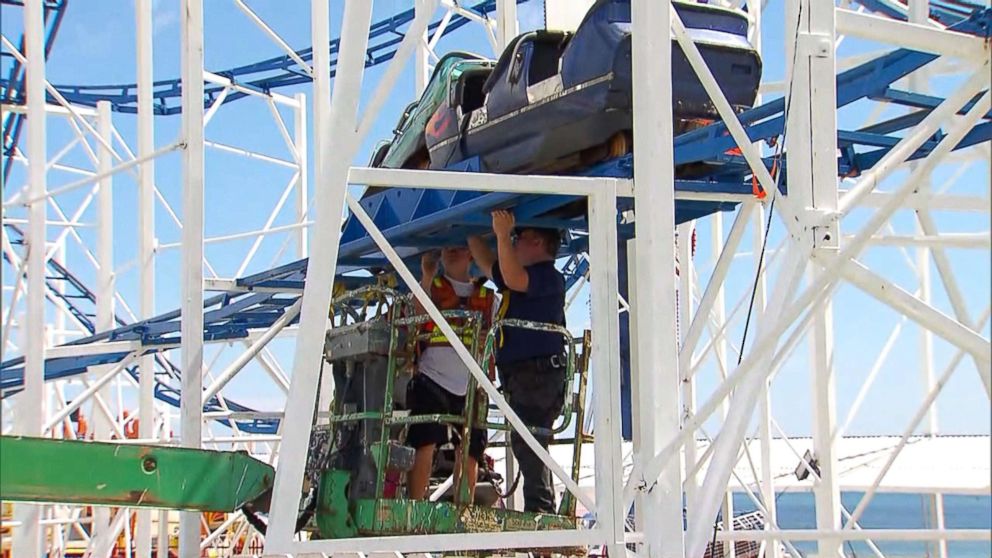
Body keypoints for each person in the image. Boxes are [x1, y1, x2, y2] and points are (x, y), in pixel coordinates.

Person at [468, 210, 566, 514]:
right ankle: (541, 506)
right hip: (524, 376)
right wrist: (470, 231)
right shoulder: (521, 280)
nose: (513, 244)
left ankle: (541, 508)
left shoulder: (547, 277)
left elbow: (510, 275)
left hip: (537, 376)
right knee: (527, 440)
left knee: (529, 441)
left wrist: (500, 234)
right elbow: (490, 265)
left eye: (518, 239)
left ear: (536, 242)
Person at [406, 245, 495, 503]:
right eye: (449, 249)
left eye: (459, 248)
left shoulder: (488, 298)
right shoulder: (431, 288)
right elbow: (415, 317)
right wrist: (426, 275)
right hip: (433, 376)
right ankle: (416, 506)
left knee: (470, 448)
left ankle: (462, 511)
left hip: (472, 383)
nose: (452, 252)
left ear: (471, 254)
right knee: (424, 441)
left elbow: (497, 335)